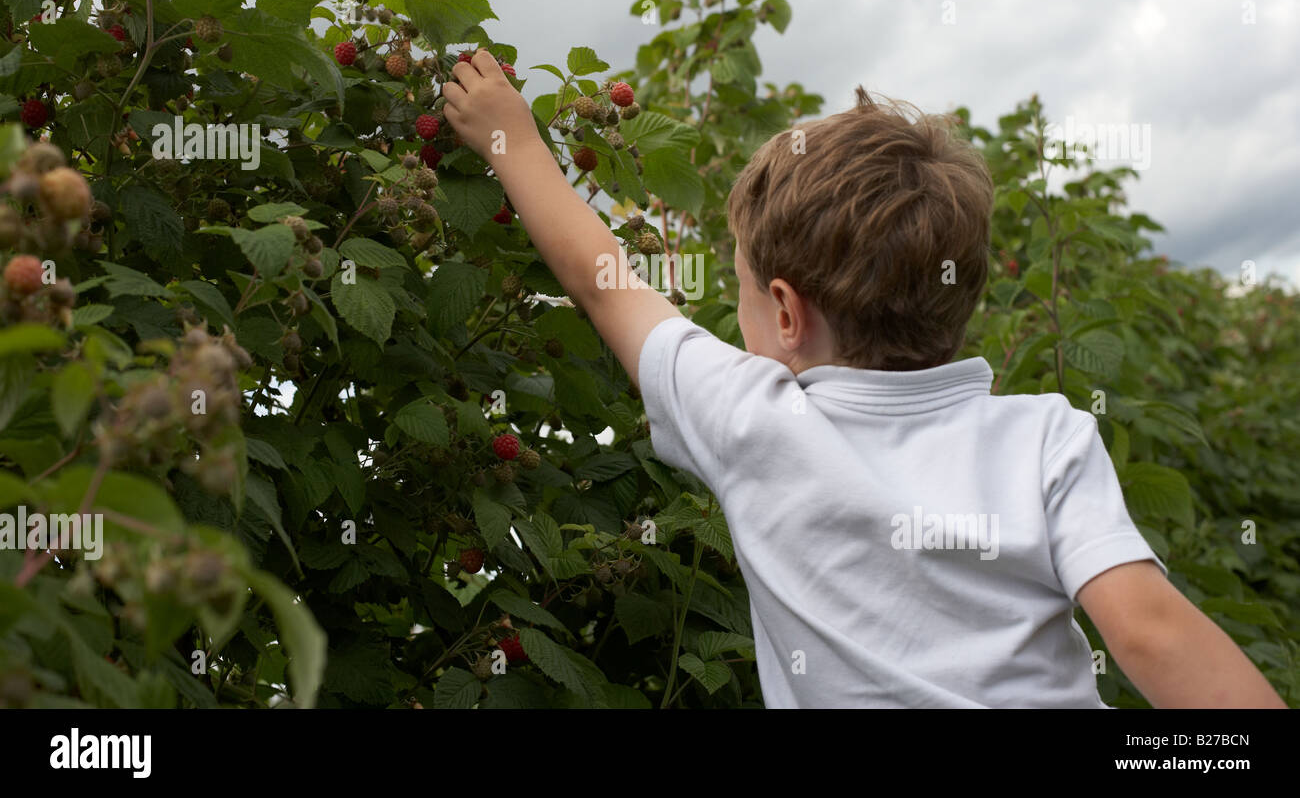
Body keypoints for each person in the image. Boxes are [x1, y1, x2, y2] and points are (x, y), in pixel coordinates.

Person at [442, 51, 1286, 708]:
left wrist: (507, 131)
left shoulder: (749, 420)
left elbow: (604, 282)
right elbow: (1151, 633)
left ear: (784, 311)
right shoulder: (1047, 436)